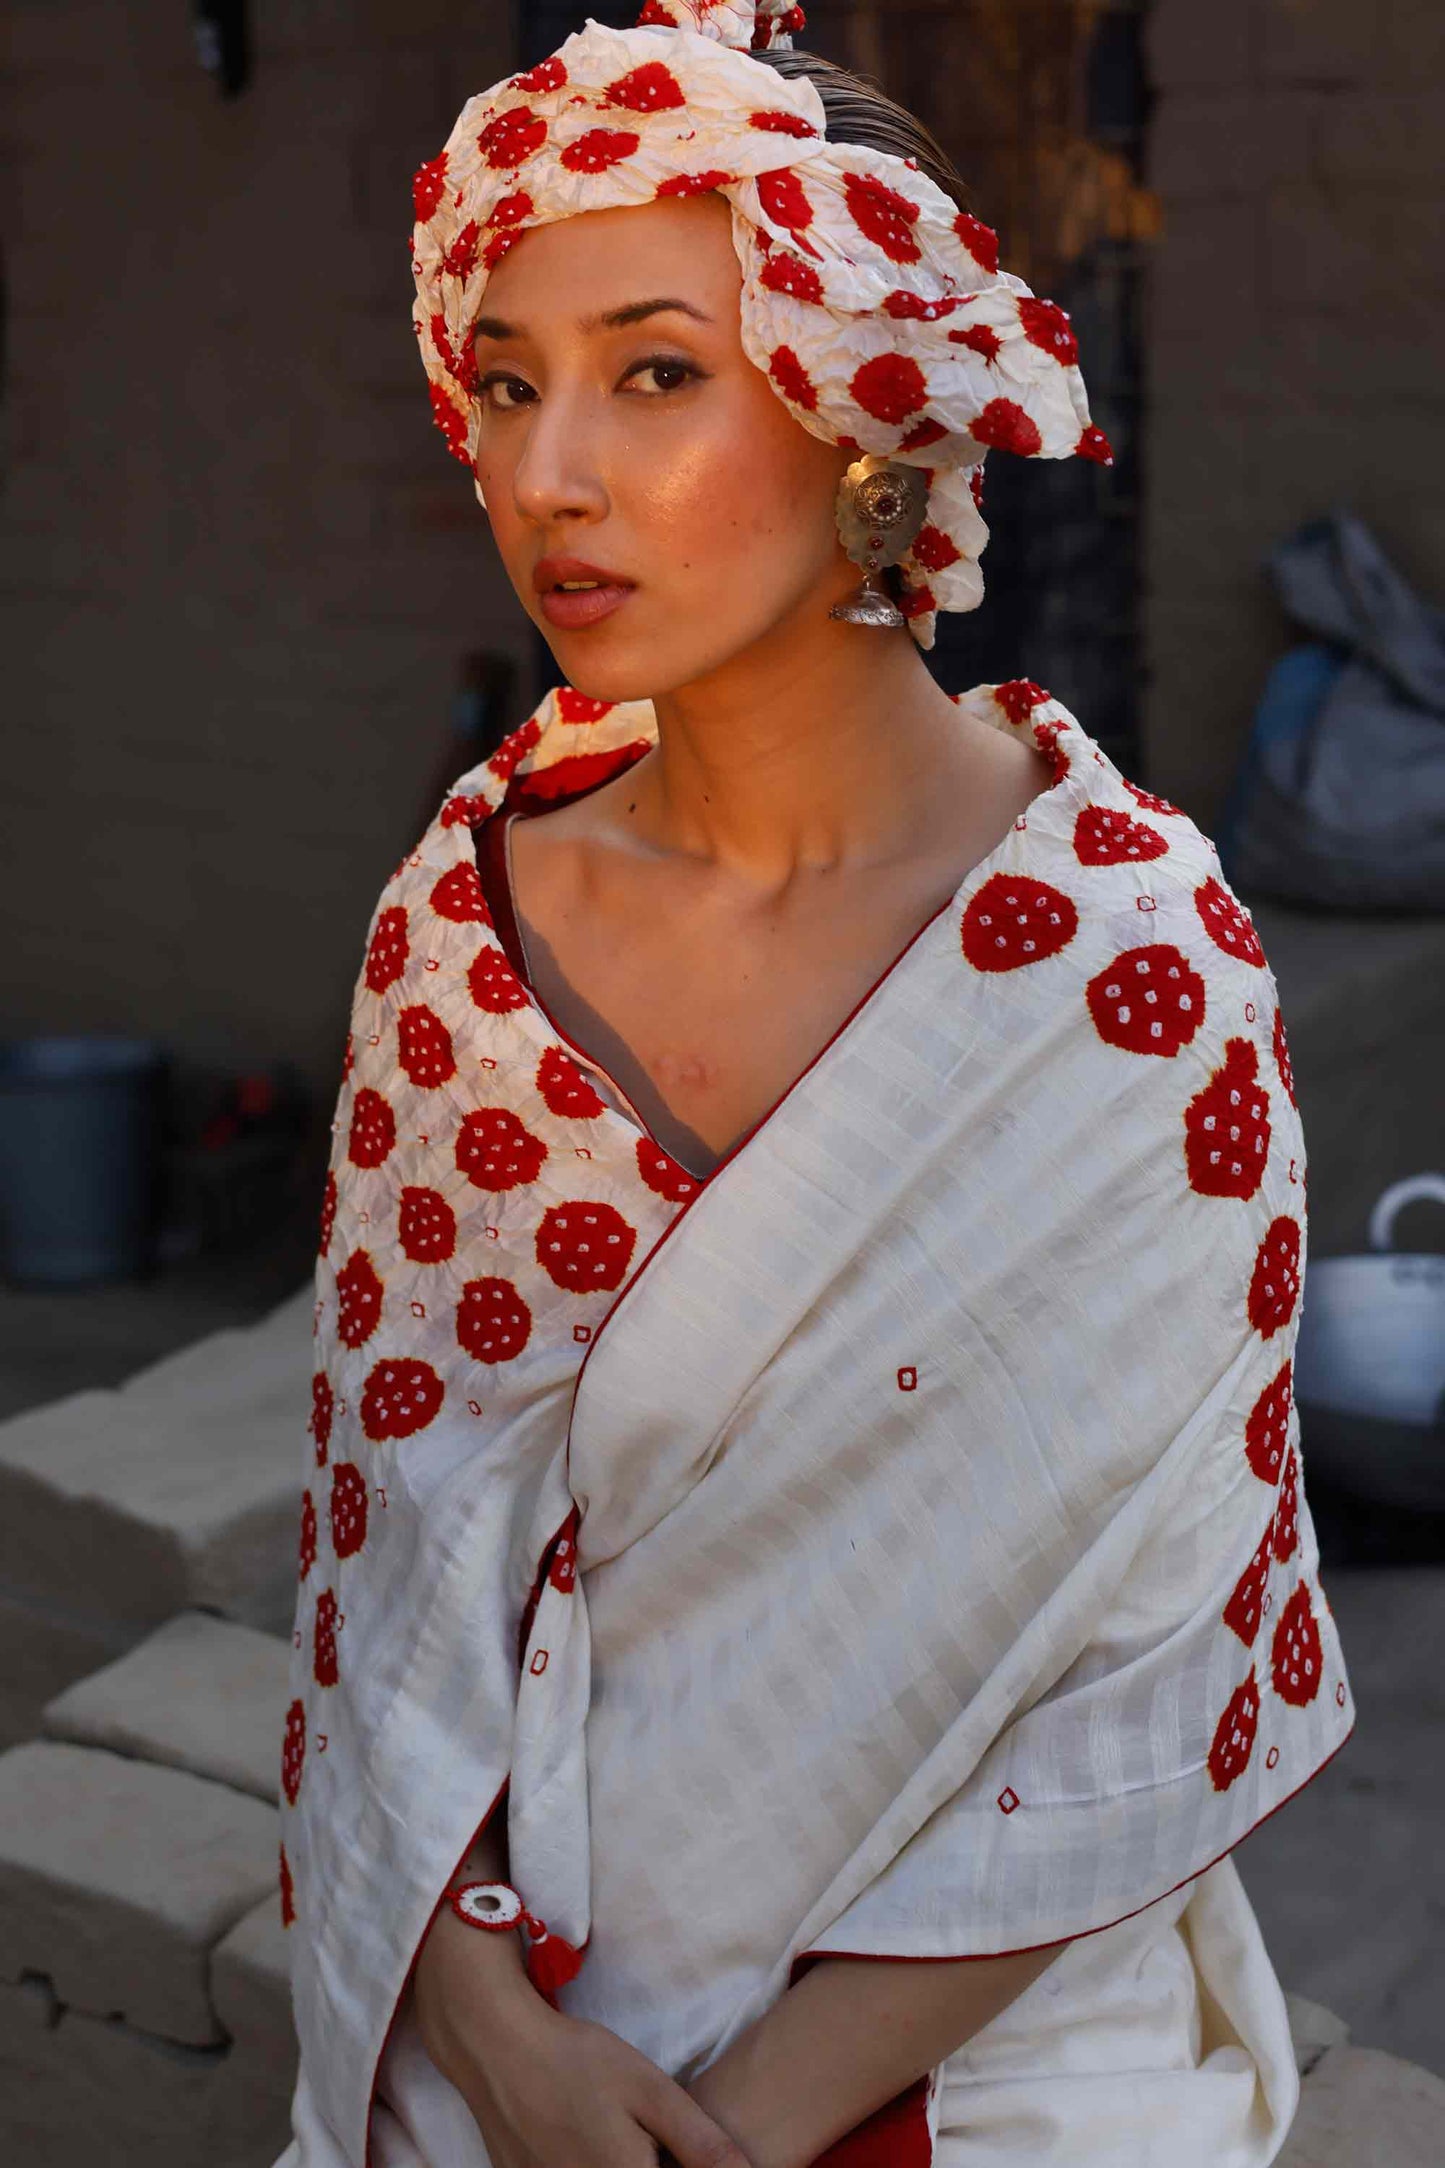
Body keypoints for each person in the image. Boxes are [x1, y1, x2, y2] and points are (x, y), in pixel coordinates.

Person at [276, 7, 1353, 2165]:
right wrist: (502, 2049)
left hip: (985, 2086)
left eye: (657, 370)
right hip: (504, 2050)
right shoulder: (462, 941)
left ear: (874, 408)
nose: (546, 472)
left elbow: (1157, 1650)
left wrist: (746, 2122)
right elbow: (381, 1596)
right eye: (507, 383)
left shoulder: (1128, 978)